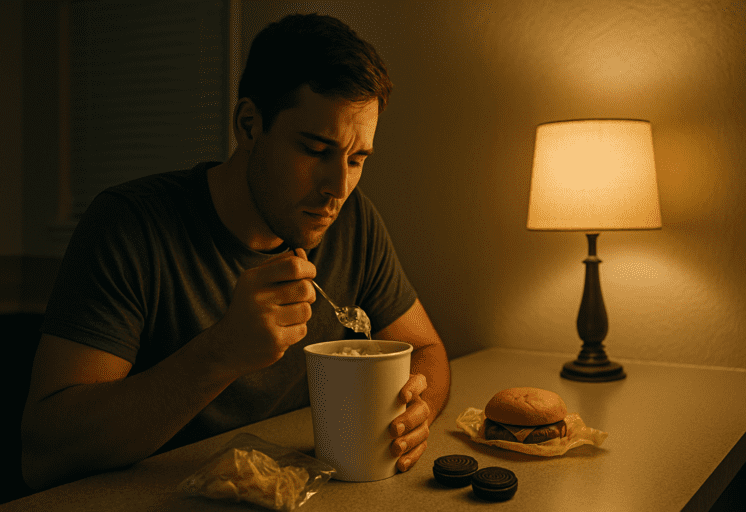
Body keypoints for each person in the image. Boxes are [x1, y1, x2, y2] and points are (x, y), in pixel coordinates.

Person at [21, 13, 450, 490]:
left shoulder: (354, 220)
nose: (339, 187)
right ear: (249, 124)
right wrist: (222, 352)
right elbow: (45, 450)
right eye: (315, 150)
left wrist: (419, 408)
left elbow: (427, 349)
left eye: (357, 159)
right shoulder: (130, 226)